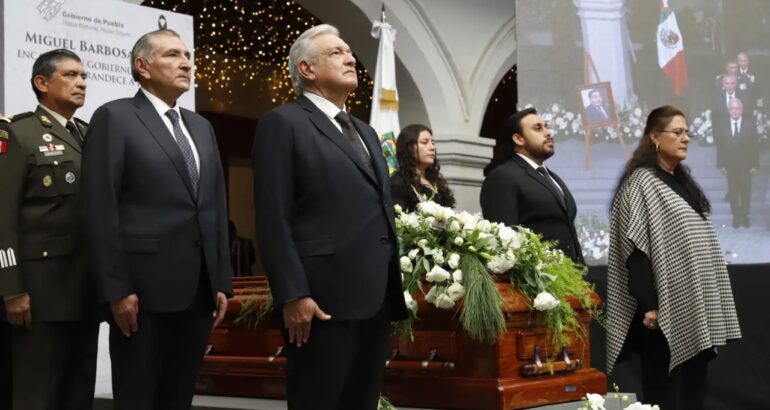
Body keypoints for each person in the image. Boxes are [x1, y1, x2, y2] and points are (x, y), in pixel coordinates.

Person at [252, 24, 408, 410]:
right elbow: (273, 216)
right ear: (306, 69)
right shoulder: (283, 123)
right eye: (337, 52)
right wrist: (293, 293)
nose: (350, 58)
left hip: (374, 299)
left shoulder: (368, 133)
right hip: (319, 299)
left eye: (350, 52)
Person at [80, 30, 233, 410]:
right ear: (143, 66)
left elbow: (213, 206)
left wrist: (221, 280)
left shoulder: (201, 127)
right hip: (141, 292)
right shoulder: (115, 117)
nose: (186, 63)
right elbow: (100, 207)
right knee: (139, 396)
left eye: (187, 55)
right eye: (172, 55)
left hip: (198, 291)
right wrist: (117, 288)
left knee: (178, 396)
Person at [606, 105, 741, 410]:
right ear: (655, 137)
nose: (686, 139)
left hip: (694, 305)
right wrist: (650, 304)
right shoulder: (641, 182)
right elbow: (635, 251)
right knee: (664, 395)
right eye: (677, 133)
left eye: (687, 133)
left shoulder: (681, 182)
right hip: (661, 313)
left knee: (693, 392)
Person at [0, 49, 99, 410]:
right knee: (36, 395)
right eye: (71, 75)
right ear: (42, 83)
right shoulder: (16, 132)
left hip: (86, 289)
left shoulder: (91, 135)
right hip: (38, 294)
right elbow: (2, 217)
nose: (81, 83)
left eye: (84, 76)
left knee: (78, 394)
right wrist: (11, 289)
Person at [481, 108, 584, 264]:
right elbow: (505, 241)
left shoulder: (552, 177)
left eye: (546, 126)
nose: (548, 132)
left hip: (572, 279)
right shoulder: (502, 176)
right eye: (538, 128)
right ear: (518, 139)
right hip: (538, 283)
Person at [390, 124, 455, 211]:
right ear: (409, 147)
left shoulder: (436, 181)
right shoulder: (398, 183)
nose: (432, 147)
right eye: (424, 142)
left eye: (433, 143)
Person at [715, 98, 758, 228]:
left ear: (742, 110)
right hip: (730, 165)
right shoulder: (722, 124)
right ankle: (736, 216)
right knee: (733, 191)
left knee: (746, 191)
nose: (735, 111)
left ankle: (744, 216)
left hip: (746, 165)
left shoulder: (750, 124)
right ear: (729, 110)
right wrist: (721, 164)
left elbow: (754, 146)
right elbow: (720, 146)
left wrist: (755, 165)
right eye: (732, 108)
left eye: (738, 108)